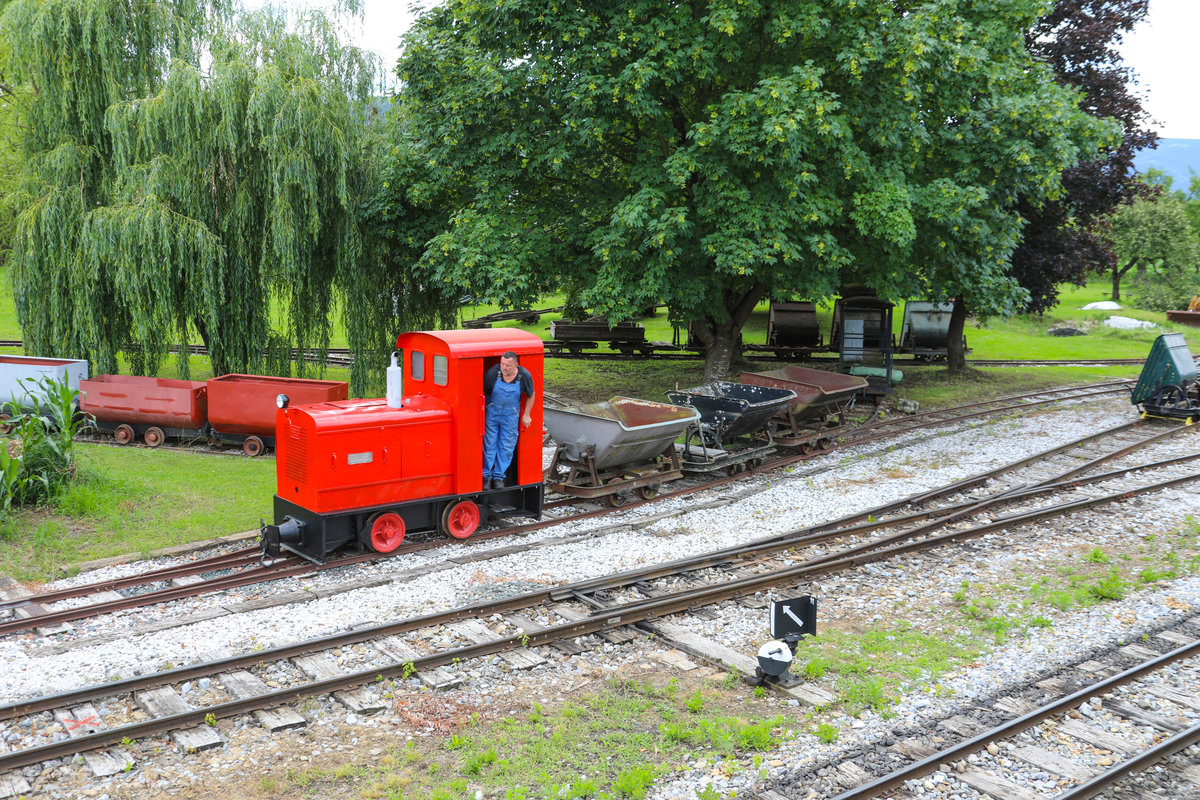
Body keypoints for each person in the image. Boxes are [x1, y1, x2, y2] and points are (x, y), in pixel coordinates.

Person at [482, 351, 535, 489]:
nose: (504, 368)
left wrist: (526, 414)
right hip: (492, 414)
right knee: (489, 444)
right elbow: (480, 393)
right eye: (502, 364)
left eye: (508, 365)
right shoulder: (492, 373)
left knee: (506, 446)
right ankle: (486, 476)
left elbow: (531, 394)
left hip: (510, 416)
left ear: (516, 364)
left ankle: (499, 476)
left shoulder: (524, 376)